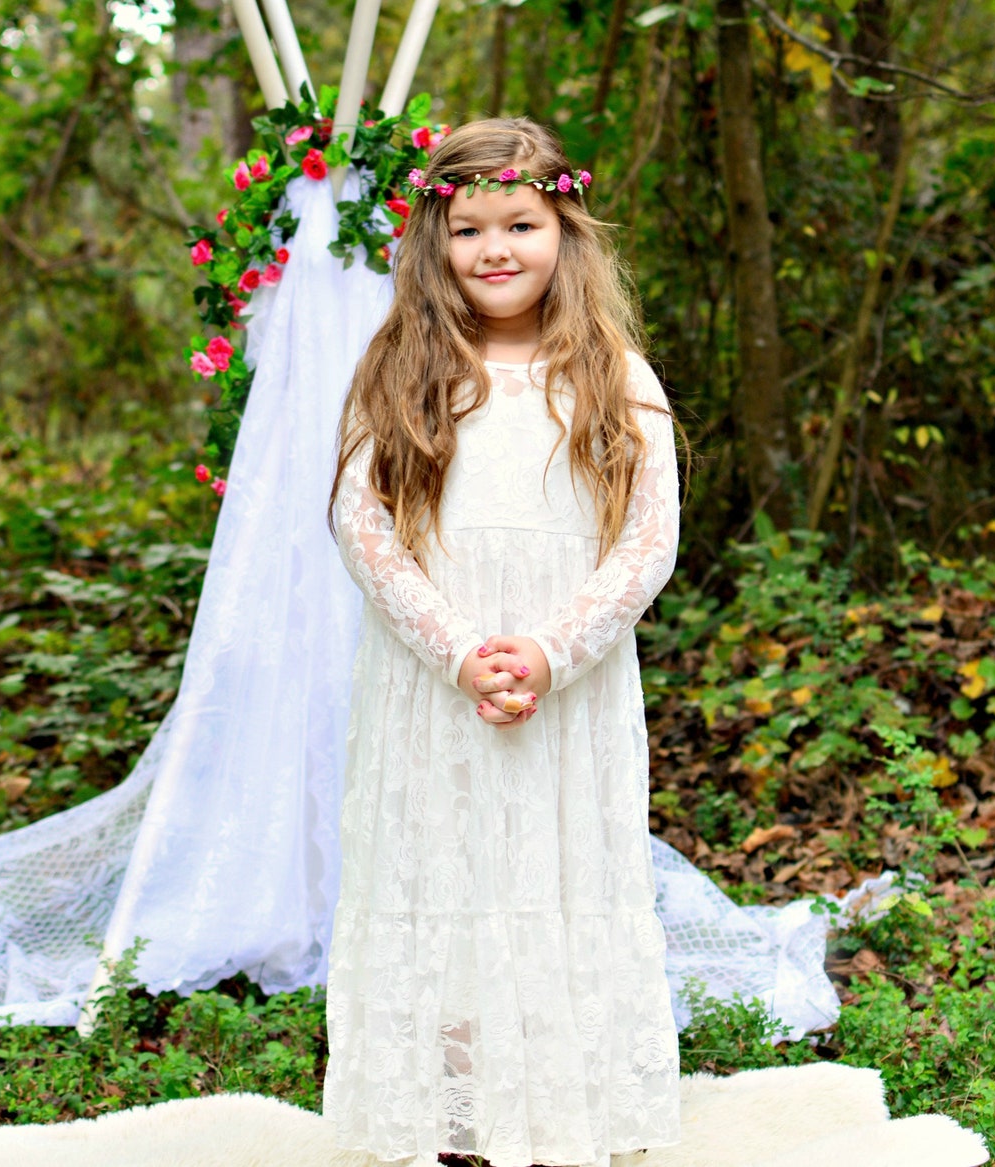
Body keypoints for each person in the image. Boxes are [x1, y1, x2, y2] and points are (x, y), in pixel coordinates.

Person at [324, 118, 682, 1167]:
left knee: (558, 876)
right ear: (435, 240)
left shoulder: (616, 373)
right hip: (436, 687)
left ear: (563, 229)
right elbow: (363, 523)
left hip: (565, 688)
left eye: (519, 223)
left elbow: (647, 538)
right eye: (469, 226)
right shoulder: (399, 368)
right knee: (445, 872)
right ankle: (456, 1115)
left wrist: (549, 651)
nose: (495, 249)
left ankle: (562, 1106)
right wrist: (461, 648)